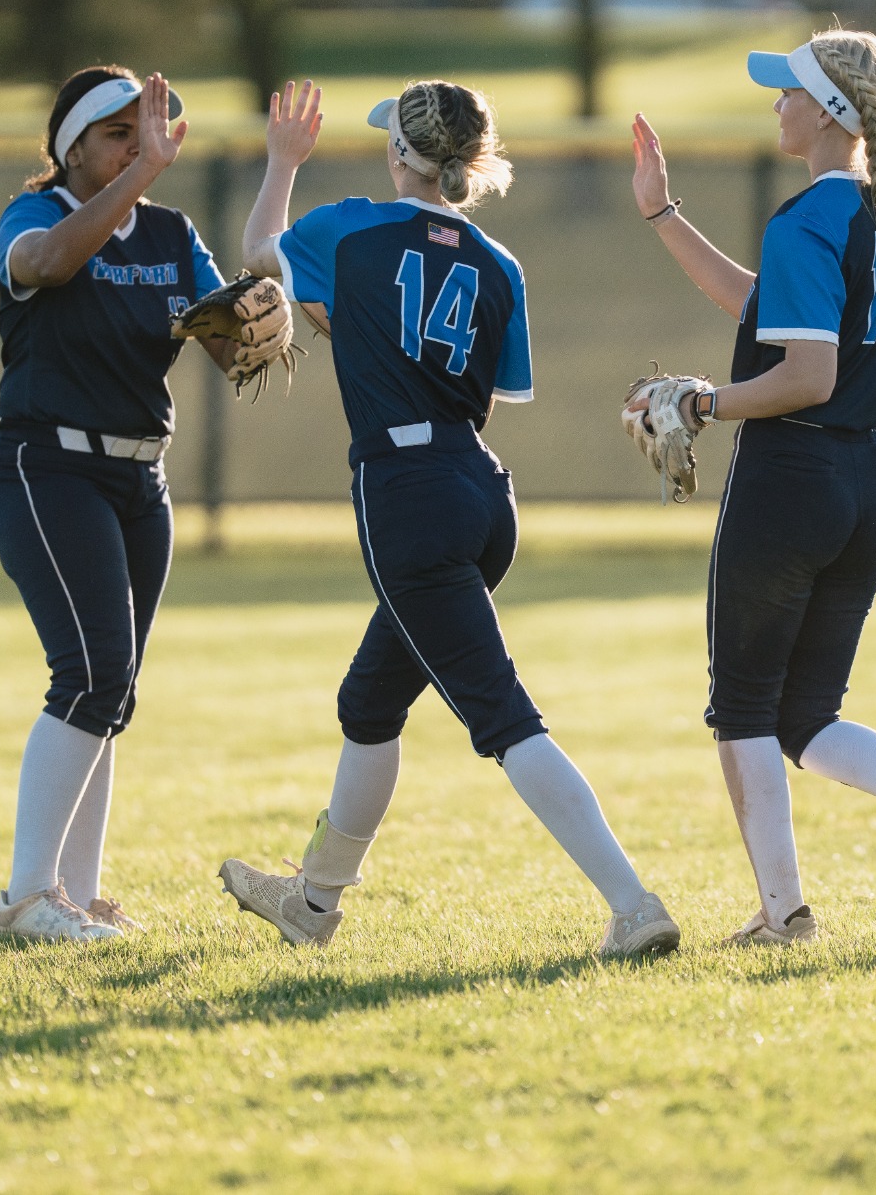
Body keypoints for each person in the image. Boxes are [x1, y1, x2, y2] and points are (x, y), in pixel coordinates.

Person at [216, 79, 680, 957]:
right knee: (369, 701)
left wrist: (282, 161)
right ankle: (313, 904)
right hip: (479, 488)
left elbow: (258, 249)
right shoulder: (500, 262)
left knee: (504, 718)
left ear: (399, 150)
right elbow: (485, 388)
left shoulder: (349, 226)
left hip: (407, 493)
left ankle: (633, 903)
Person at [628, 30, 876, 945]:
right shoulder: (874, 215)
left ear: (830, 111)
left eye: (788, 91)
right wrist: (662, 212)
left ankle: (781, 913)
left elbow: (804, 375)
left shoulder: (806, 219)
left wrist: (704, 401)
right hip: (863, 480)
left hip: (790, 476)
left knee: (743, 708)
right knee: (807, 717)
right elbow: (769, 306)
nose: (776, 105)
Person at [0, 66, 292, 942]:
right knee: (91, 675)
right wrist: (139, 174)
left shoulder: (168, 231)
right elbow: (42, 265)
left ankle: (73, 894)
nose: (137, 142)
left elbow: (225, 351)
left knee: (109, 691)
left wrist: (261, 321)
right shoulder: (34, 214)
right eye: (117, 132)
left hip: (138, 479)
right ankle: (27, 898)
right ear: (71, 146)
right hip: (48, 467)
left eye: (145, 130)